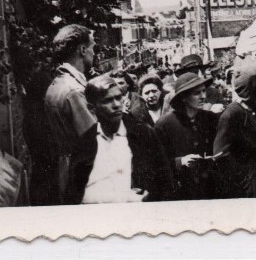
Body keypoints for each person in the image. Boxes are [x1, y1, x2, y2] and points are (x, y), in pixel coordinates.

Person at [65, 75, 174, 204]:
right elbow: (74, 192)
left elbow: (165, 181)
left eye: (118, 97)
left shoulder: (143, 134)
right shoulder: (85, 143)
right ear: (92, 108)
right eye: (108, 100)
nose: (117, 105)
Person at [44, 24, 99, 203]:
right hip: (81, 175)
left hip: (65, 170)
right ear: (83, 50)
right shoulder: (75, 91)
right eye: (93, 48)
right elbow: (93, 139)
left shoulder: (58, 83)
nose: (94, 53)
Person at [154, 72, 221, 200]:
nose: (203, 96)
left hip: (209, 188)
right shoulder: (164, 125)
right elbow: (158, 163)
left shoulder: (210, 118)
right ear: (183, 97)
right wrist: (181, 161)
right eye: (197, 93)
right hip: (181, 190)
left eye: (203, 91)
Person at [213, 60, 256, 198]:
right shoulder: (231, 115)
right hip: (245, 187)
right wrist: (242, 181)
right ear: (252, 87)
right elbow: (221, 156)